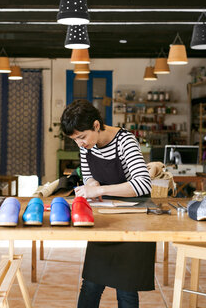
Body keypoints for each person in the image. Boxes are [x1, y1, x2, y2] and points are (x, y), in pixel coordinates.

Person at [60, 99, 154, 308]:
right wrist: (91, 184)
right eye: (75, 139)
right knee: (91, 283)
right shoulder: (87, 146)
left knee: (126, 289)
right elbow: (88, 176)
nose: (80, 144)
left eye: (82, 137)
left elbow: (143, 184)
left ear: (96, 125)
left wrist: (99, 190)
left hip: (133, 221)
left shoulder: (125, 141)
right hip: (107, 219)